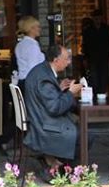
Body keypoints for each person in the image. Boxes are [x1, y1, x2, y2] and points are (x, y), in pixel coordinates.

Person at [23, 44, 83, 172]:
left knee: (79, 126)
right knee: (84, 136)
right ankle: (59, 168)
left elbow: (46, 97)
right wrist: (71, 93)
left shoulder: (42, 70)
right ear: (56, 60)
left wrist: (59, 88)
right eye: (66, 59)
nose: (69, 62)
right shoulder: (44, 78)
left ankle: (54, 161)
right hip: (42, 124)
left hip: (39, 116)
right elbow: (55, 108)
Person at [81, 9, 109, 95]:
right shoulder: (88, 30)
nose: (97, 20)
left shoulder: (106, 29)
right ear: (93, 19)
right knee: (94, 77)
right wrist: (85, 58)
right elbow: (85, 45)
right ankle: (95, 95)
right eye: (95, 18)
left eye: (99, 18)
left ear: (101, 18)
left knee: (103, 76)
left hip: (104, 56)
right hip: (92, 57)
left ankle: (102, 94)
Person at [14, 15, 45, 89]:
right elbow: (33, 68)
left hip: (22, 81)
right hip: (31, 83)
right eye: (37, 27)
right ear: (31, 29)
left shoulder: (19, 45)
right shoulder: (32, 46)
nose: (39, 29)